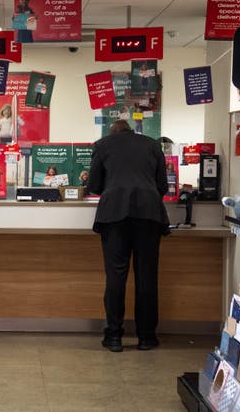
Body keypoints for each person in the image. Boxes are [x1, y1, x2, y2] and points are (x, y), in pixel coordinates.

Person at [87, 120, 169, 353]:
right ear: (132, 131)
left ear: (113, 132)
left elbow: (94, 185)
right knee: (147, 276)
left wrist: (115, 186)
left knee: (116, 276)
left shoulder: (103, 145)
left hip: (114, 215)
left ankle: (114, 336)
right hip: (149, 214)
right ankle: (147, 337)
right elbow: (162, 185)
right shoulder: (152, 145)